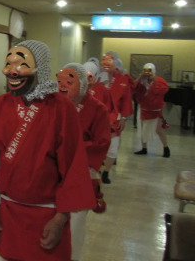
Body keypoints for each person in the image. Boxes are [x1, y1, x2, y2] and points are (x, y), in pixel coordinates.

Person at [0, 40, 95, 261]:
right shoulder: (0, 105)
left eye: (21, 63)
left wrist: (61, 218)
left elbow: (73, 166)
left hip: (47, 215)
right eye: (8, 63)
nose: (11, 71)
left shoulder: (62, 109)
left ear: (41, 67)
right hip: (6, 211)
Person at [57, 63, 111, 261]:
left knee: (74, 228)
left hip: (81, 172)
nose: (63, 86)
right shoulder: (55, 105)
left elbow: (101, 143)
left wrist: (72, 149)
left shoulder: (98, 109)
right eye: (60, 81)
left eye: (69, 82)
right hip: (53, 172)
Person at [97, 51, 133, 184]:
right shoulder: (97, 78)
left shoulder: (122, 80)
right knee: (98, 145)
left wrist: (124, 118)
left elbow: (126, 100)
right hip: (98, 118)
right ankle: (98, 168)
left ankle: (106, 172)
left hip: (115, 118)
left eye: (110, 61)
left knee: (113, 146)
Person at [133, 63, 170, 157]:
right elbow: (133, 87)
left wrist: (155, 80)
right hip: (144, 108)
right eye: (145, 70)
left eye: (149, 71)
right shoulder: (142, 81)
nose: (147, 73)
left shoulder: (160, 81)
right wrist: (140, 77)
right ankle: (144, 148)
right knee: (142, 129)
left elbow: (163, 90)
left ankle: (166, 148)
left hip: (155, 110)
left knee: (159, 129)